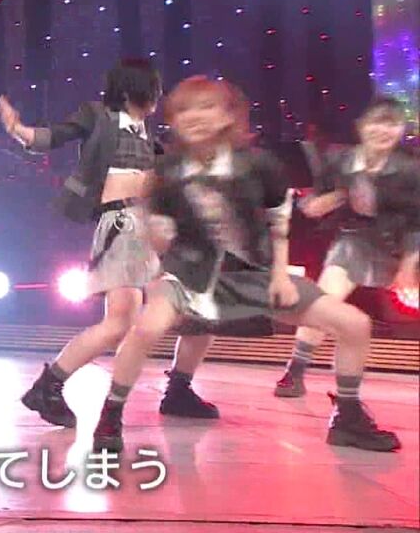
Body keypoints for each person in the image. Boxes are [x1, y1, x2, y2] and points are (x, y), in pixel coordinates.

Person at [91, 76, 399, 453]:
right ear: (172, 119)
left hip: (254, 275)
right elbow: (153, 231)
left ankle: (348, 417)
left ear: (228, 116)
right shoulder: (166, 172)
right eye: (185, 109)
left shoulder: (257, 164)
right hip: (189, 277)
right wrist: (157, 256)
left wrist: (280, 275)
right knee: (146, 328)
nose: (195, 116)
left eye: (207, 107)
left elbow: (279, 217)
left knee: (355, 324)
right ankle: (111, 414)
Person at [0, 60, 217, 429]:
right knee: (125, 321)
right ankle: (51, 386)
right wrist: (19, 130)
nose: (158, 97)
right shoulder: (99, 116)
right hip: (124, 227)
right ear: (138, 88)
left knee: (179, 311)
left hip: (147, 230)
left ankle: (174, 389)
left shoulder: (147, 134)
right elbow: (56, 135)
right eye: (154, 89)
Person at [276, 97, 419, 397]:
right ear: (361, 127)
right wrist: (324, 201)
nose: (383, 130)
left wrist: (409, 264)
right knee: (324, 301)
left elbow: (416, 222)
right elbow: (314, 202)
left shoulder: (410, 170)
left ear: (401, 129)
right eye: (377, 122)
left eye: (392, 124)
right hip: (356, 238)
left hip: (400, 244)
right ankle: (295, 371)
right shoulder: (341, 161)